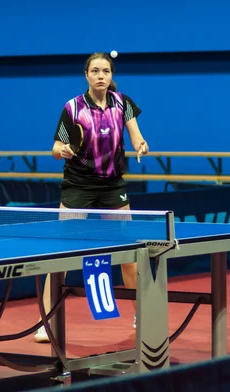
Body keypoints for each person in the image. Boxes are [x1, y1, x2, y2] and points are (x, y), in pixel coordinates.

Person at [34, 52, 149, 343]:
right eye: (95, 71)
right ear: (86, 75)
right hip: (78, 184)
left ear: (111, 76)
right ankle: (46, 321)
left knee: (129, 254)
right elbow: (56, 145)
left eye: (106, 71)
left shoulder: (123, 102)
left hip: (112, 185)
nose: (101, 75)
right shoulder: (72, 108)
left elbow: (134, 133)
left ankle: (142, 315)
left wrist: (140, 144)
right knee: (60, 254)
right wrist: (60, 151)